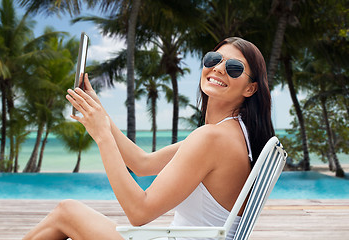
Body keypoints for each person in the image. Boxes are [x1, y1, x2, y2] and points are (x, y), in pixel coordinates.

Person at [23, 37, 274, 240]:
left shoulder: (212, 137)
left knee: (67, 212)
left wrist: (102, 136)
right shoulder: (233, 133)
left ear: (250, 88)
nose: (219, 68)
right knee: (67, 212)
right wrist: (102, 115)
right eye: (214, 59)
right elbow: (142, 164)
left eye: (234, 68)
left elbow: (139, 212)